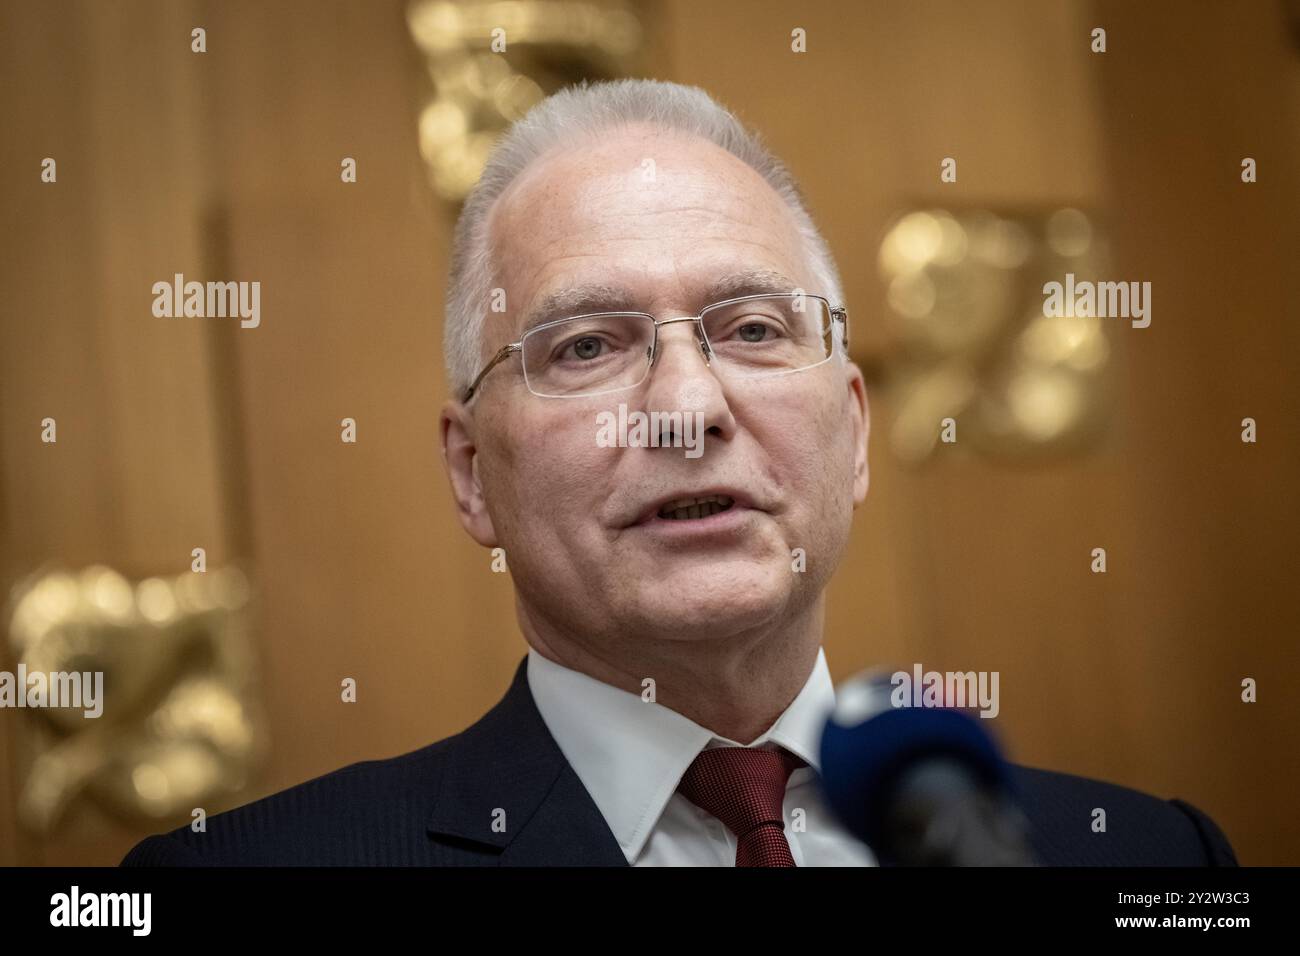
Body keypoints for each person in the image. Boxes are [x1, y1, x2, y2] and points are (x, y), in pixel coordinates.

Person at [123, 78, 1235, 867]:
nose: (687, 410)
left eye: (752, 327)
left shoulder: (1151, 859)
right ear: (471, 474)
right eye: (587, 347)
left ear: (851, 431)